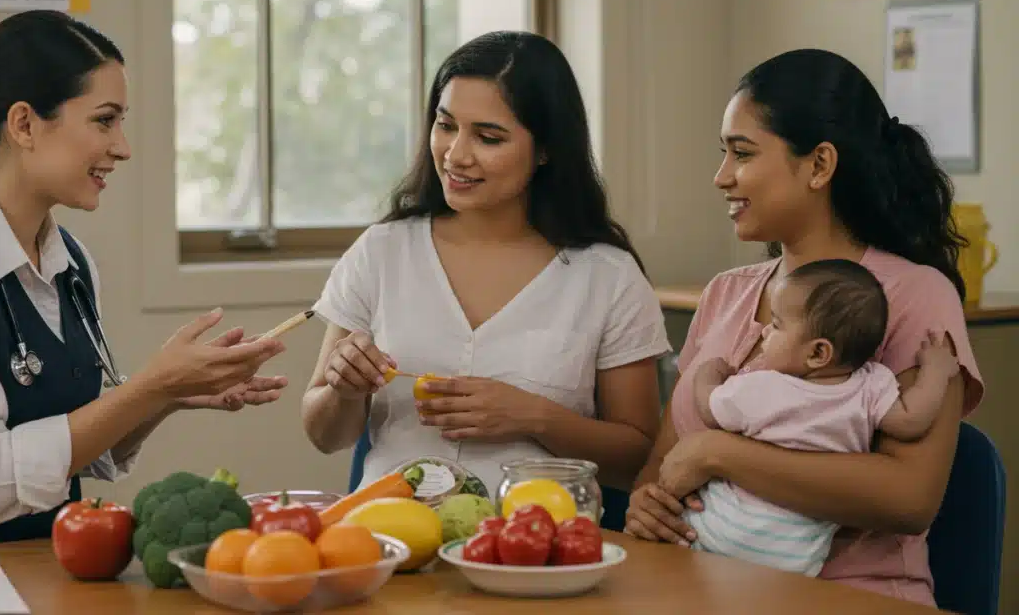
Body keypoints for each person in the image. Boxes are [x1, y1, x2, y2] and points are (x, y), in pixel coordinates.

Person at [0, 10, 287, 557]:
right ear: (25, 124)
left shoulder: (70, 261)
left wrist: (171, 395)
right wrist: (148, 387)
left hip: (38, 565)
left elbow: (83, 448)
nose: (122, 147)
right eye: (104, 120)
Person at [623, 48, 983, 606]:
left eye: (742, 153)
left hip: (852, 598)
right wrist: (649, 502)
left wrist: (719, 454)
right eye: (723, 153)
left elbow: (909, 498)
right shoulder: (725, 294)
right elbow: (663, 468)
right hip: (702, 590)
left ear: (819, 164)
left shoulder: (916, 297)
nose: (722, 177)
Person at [301, 31, 670, 501]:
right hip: (394, 536)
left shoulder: (609, 277)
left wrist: (532, 417)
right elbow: (323, 435)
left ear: (546, 150)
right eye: (446, 124)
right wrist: (343, 389)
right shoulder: (381, 251)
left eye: (488, 137)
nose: (455, 155)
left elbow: (638, 458)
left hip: (535, 543)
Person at [685, 259, 960, 576]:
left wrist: (709, 374)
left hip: (721, 538)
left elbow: (709, 409)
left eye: (776, 325)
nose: (764, 332)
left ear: (817, 353)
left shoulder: (763, 388)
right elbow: (911, 420)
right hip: (799, 558)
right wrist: (935, 374)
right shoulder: (871, 385)